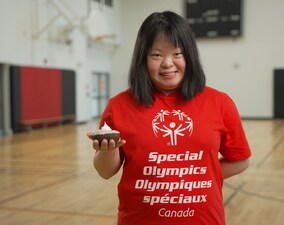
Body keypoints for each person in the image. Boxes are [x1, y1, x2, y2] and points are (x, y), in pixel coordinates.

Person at [87, 11, 251, 225]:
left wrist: (191, 178)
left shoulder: (220, 102)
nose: (167, 63)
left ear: (189, 56)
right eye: (156, 55)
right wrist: (108, 151)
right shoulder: (119, 106)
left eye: (177, 53)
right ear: (142, 58)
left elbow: (241, 159)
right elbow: (105, 171)